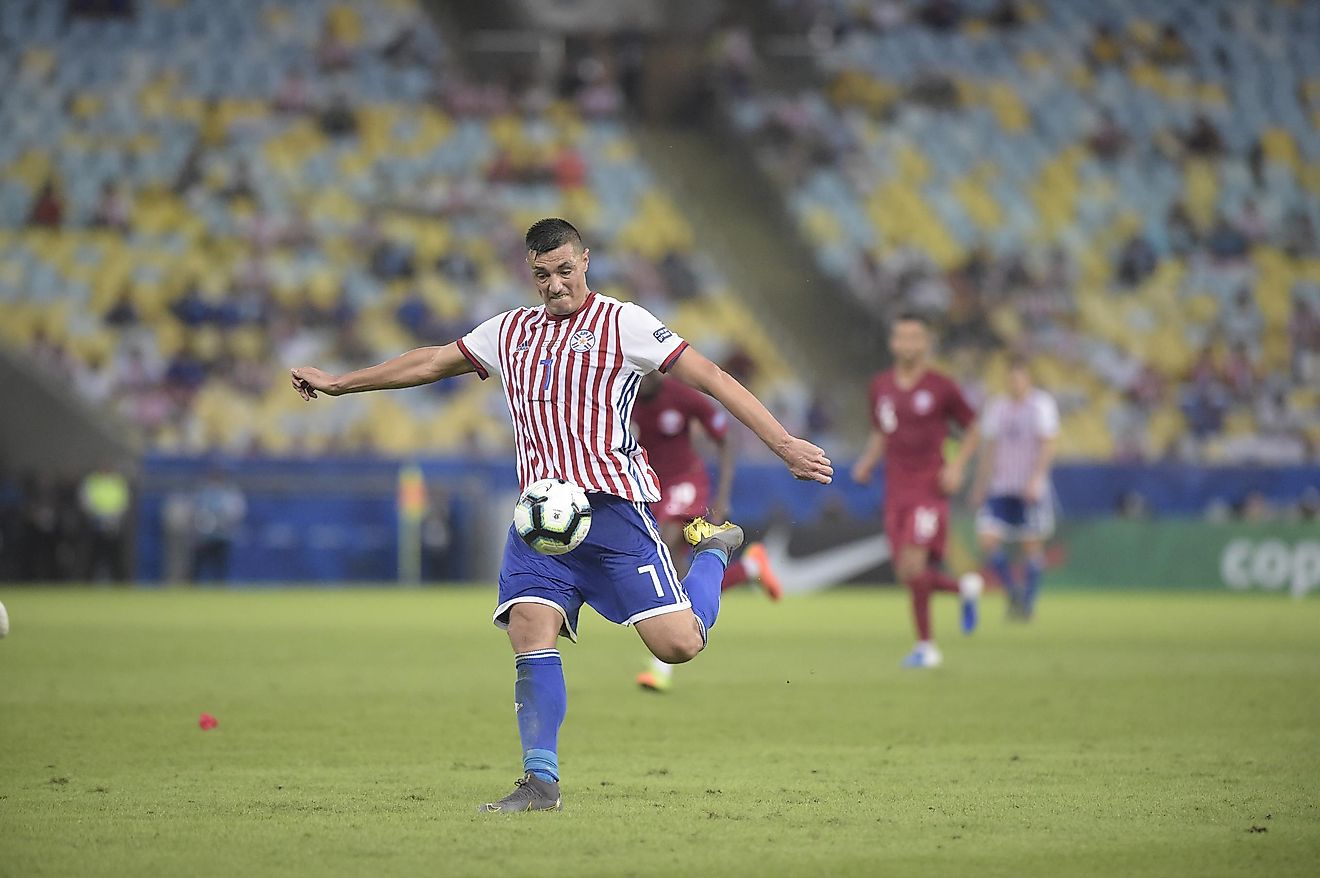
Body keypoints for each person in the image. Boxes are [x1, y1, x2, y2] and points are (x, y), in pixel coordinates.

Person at [290, 218, 832, 812]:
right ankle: (540, 781)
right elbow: (430, 361)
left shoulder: (624, 323)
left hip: (613, 514)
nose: (554, 285)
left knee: (677, 647)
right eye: (542, 274)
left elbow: (712, 378)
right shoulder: (510, 331)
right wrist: (341, 383)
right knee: (529, 630)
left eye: (565, 270)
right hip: (541, 522)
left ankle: (712, 552)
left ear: (586, 262)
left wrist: (783, 444)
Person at [630, 372, 783, 694]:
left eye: (647, 371)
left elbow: (725, 439)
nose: (641, 379)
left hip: (686, 480)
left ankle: (662, 664)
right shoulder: (621, 396)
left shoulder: (684, 396)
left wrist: (722, 497)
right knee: (677, 569)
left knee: (670, 547)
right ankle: (748, 568)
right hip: (649, 488)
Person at [851, 312, 983, 669]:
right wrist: (867, 462)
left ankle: (927, 647)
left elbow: (972, 428)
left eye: (914, 337)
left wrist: (957, 467)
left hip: (928, 489)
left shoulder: (942, 387)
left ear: (925, 344)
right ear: (893, 343)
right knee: (907, 574)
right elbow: (882, 430)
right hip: (895, 490)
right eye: (901, 337)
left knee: (914, 564)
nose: (907, 344)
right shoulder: (880, 386)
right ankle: (964, 590)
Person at [969, 357, 1058, 620]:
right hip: (1001, 486)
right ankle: (1013, 592)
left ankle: (1028, 603)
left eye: (1020, 378)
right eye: (1011, 378)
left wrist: (1036, 479)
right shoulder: (998, 407)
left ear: (1028, 379)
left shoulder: (1041, 405)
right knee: (987, 539)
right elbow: (990, 448)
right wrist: (981, 484)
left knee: (1031, 544)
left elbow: (1049, 444)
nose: (1015, 383)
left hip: (1029, 487)